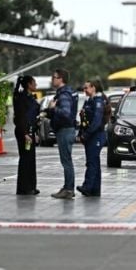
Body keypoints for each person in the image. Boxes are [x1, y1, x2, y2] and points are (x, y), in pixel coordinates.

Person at [48, 68, 78, 199]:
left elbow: (65, 113)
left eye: (54, 77)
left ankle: (68, 189)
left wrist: (54, 108)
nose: (52, 79)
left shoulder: (64, 94)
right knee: (67, 160)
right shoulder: (67, 92)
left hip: (65, 130)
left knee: (66, 161)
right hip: (67, 129)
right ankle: (67, 187)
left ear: (61, 79)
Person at [76, 79, 108, 197]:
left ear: (93, 87)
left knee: (92, 162)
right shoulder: (89, 101)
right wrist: (81, 133)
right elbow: (84, 119)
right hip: (91, 136)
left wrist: (86, 134)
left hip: (96, 135)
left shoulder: (98, 101)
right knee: (94, 162)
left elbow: (96, 121)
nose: (84, 90)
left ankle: (88, 187)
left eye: (86, 87)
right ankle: (95, 189)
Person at [13, 75, 40, 195]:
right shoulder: (22, 98)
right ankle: (24, 187)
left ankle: (31, 186)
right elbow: (21, 117)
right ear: (29, 85)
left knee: (30, 159)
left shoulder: (29, 97)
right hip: (25, 132)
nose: (36, 85)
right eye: (34, 83)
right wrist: (25, 133)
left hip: (30, 131)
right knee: (25, 159)